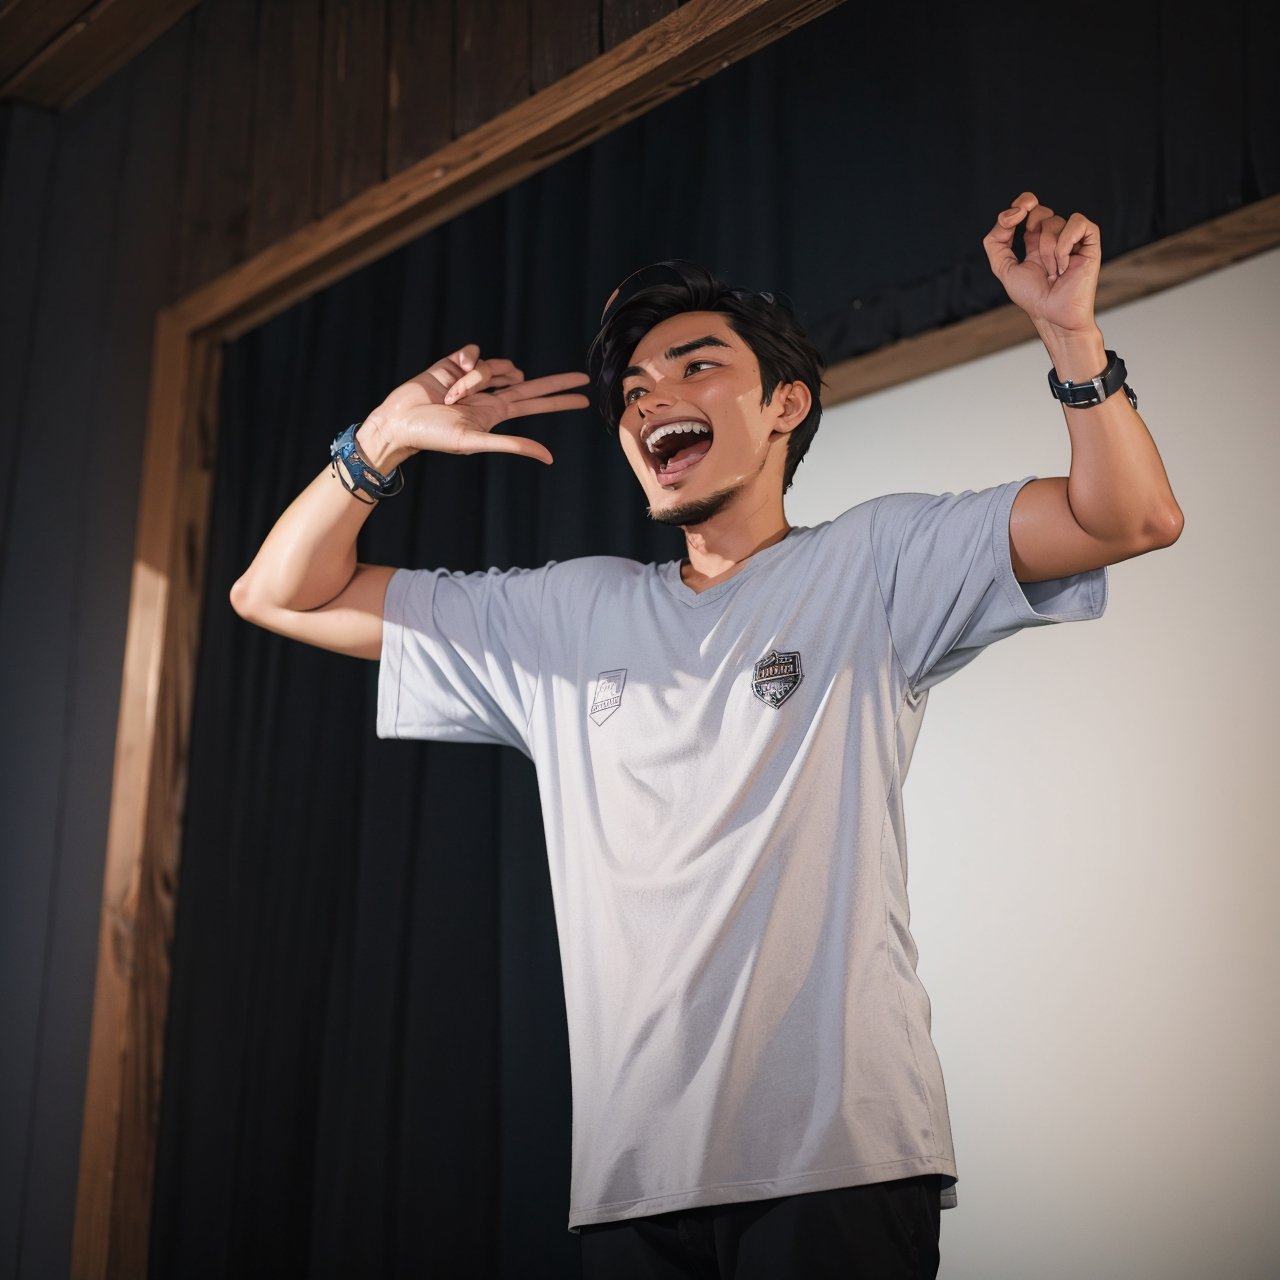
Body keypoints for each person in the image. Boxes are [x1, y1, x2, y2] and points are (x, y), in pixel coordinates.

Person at [231, 192, 1183, 1278]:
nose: (650, 400)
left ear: (784, 406)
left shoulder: (872, 563)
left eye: (692, 368)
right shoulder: (564, 616)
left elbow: (1129, 516)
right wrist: (382, 440)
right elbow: (278, 594)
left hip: (840, 1162)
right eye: (632, 388)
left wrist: (1069, 334)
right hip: (630, 1184)